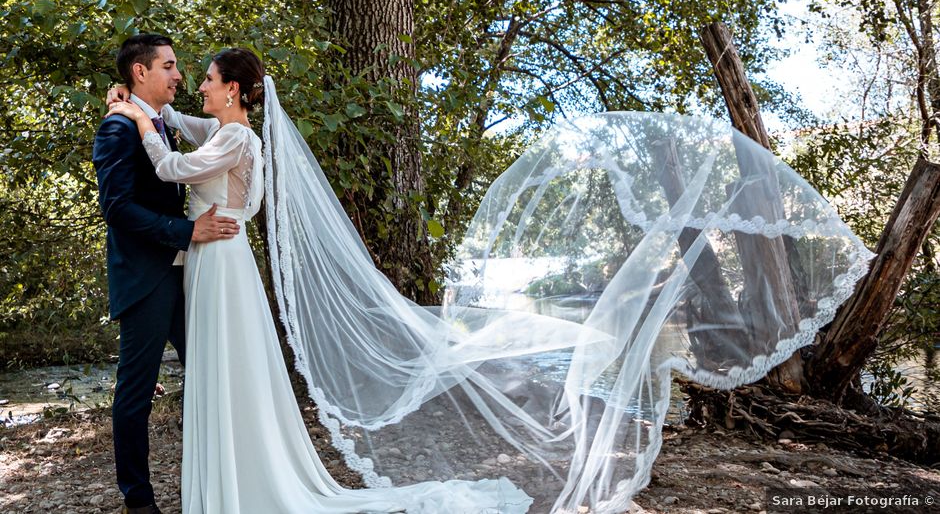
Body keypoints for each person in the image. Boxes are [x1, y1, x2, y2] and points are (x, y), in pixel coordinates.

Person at [106, 47, 874, 513]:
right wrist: (146, 111)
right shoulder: (232, 129)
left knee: (231, 377)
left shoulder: (235, 134)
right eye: (184, 75)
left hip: (223, 264)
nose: (195, 84)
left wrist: (138, 119)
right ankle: (223, 482)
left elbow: (174, 161)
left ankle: (243, 488)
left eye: (202, 78)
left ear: (234, 91)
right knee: (223, 377)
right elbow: (188, 136)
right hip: (214, 267)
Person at [92, 34, 242, 514]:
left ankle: (212, 477)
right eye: (170, 66)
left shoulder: (160, 123)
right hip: (146, 276)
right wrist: (186, 231)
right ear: (141, 72)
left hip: (187, 274)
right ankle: (138, 500)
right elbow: (116, 209)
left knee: (208, 372)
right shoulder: (117, 129)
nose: (180, 75)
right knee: (136, 391)